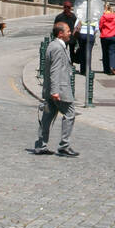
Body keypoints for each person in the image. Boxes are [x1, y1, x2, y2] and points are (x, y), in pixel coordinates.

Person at [35, 20, 79, 157]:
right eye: (68, 31)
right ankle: (64, 145)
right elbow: (54, 71)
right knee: (70, 113)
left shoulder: (53, 45)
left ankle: (40, 145)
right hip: (59, 89)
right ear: (60, 34)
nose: (70, 33)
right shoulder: (58, 48)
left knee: (47, 117)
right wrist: (55, 91)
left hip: (51, 89)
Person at [98, 2, 115, 75]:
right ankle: (113, 67)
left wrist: (103, 31)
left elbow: (100, 26)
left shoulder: (103, 17)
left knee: (105, 53)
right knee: (112, 53)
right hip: (113, 35)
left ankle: (106, 69)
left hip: (104, 36)